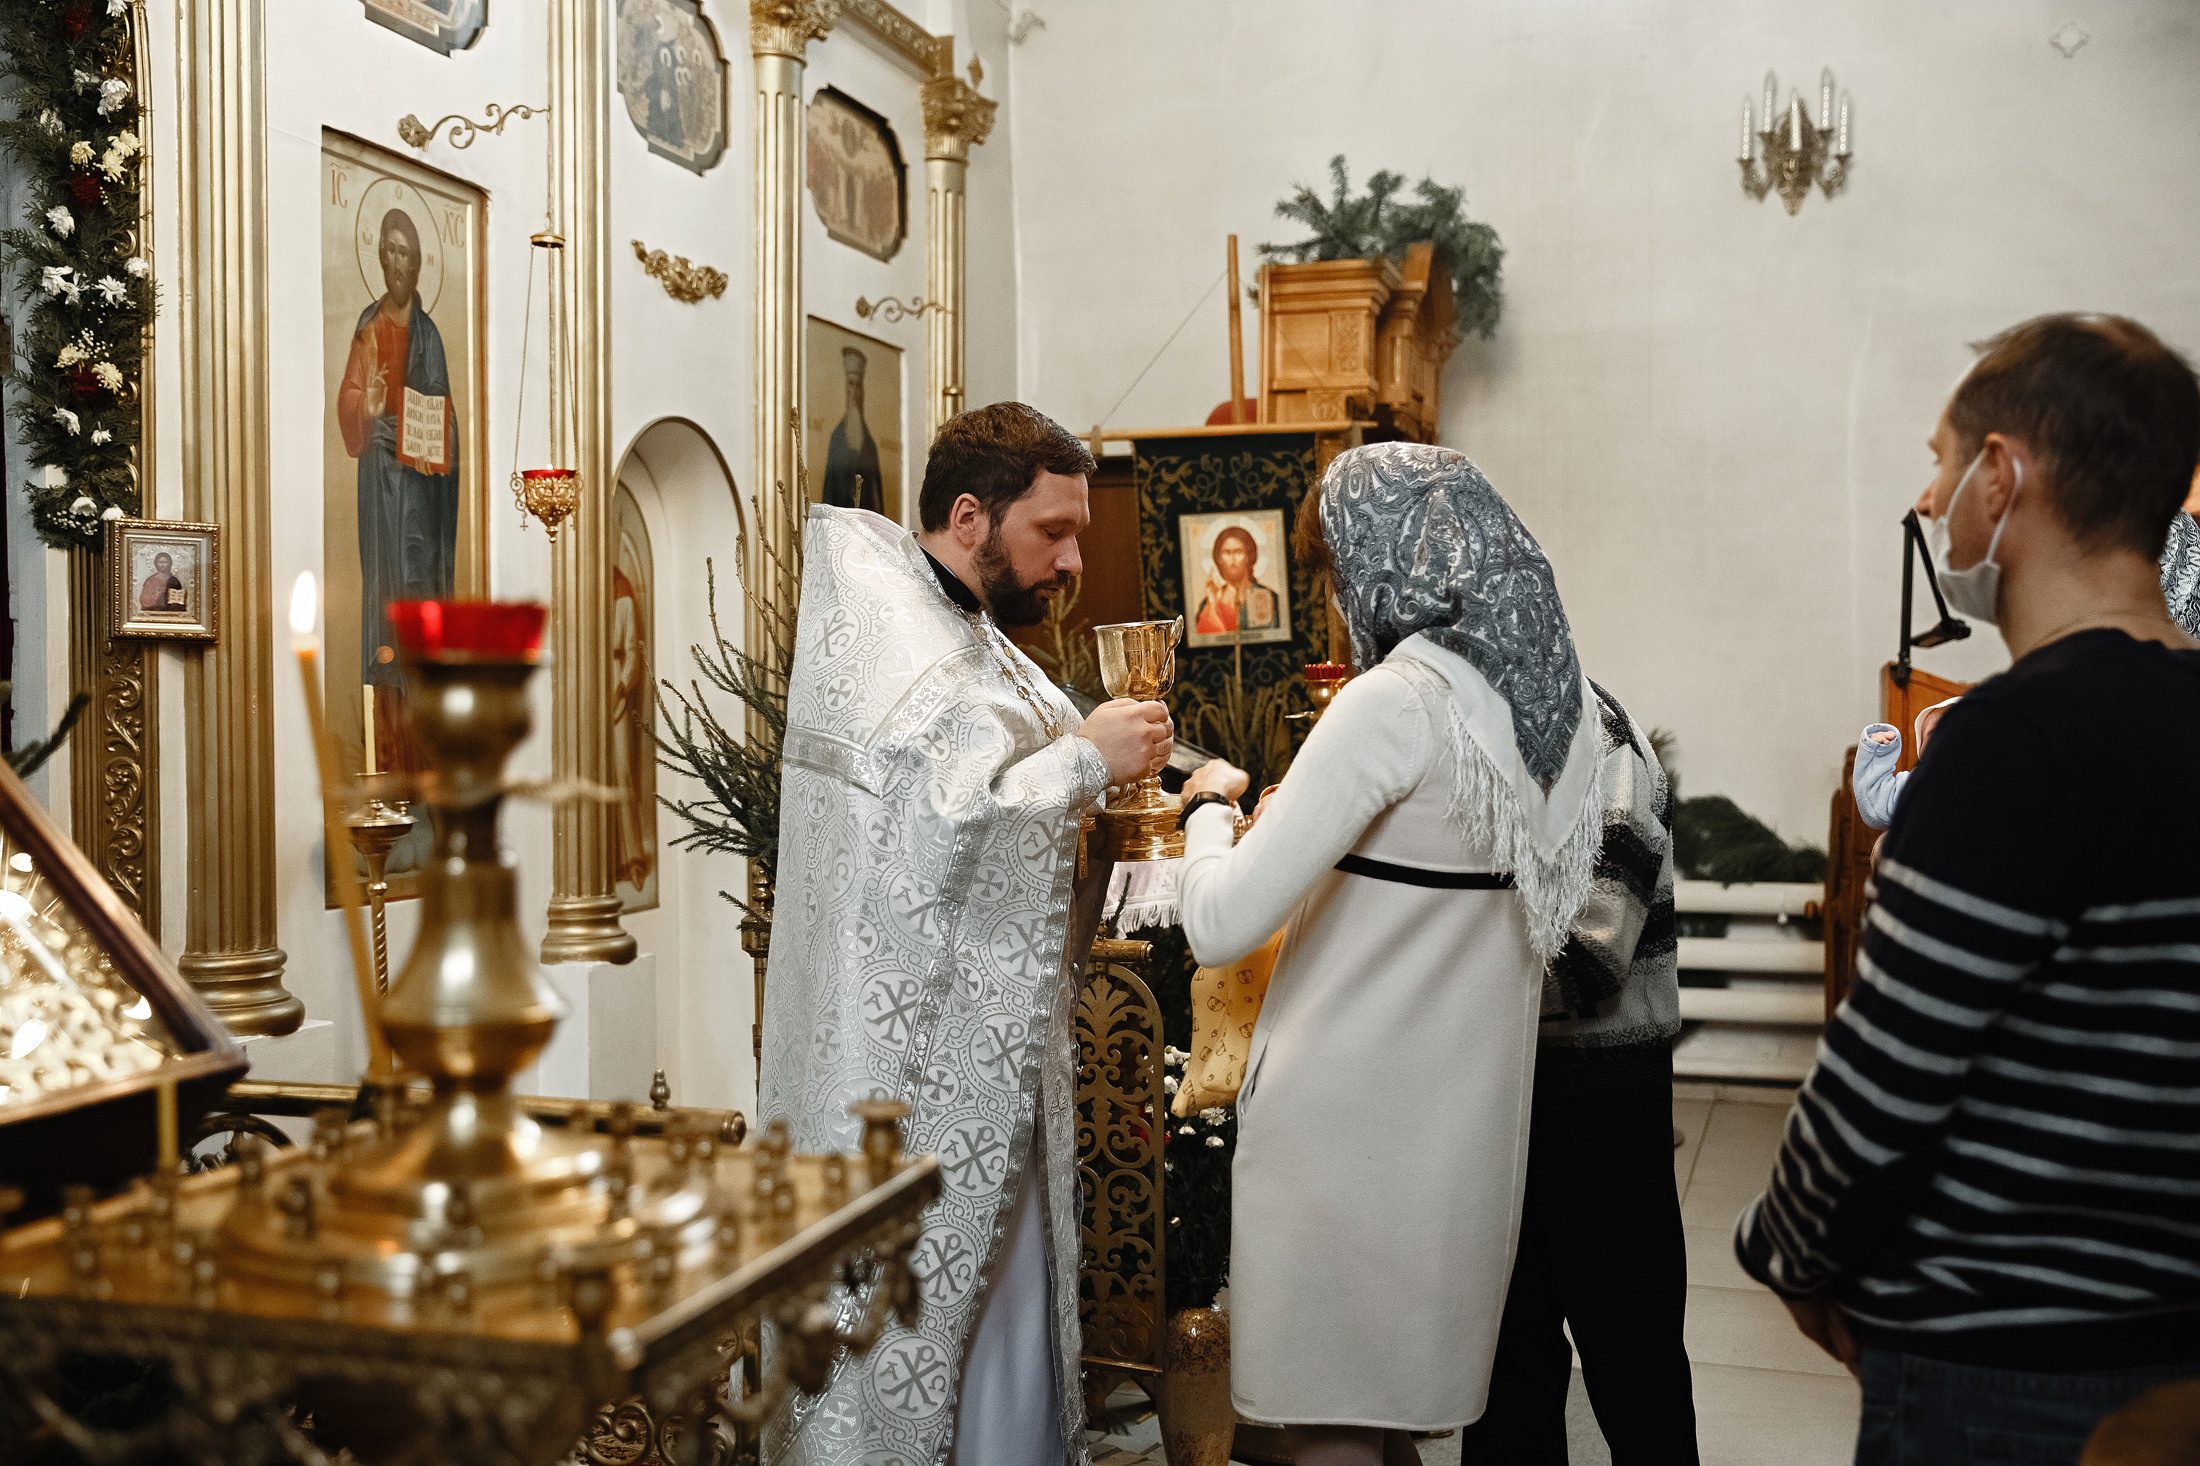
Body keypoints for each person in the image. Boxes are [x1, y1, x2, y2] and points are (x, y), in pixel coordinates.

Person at [1734, 313, 2200, 1462]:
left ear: (2003, 476)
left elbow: (1886, 1068)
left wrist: (1785, 1251)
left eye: (1942, 460)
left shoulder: (2016, 737)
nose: (1929, 495)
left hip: (2000, 1365)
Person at [1176, 442, 1605, 1466]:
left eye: (1333, 568)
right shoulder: (1557, 704)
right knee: (1377, 1410)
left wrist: (1207, 809)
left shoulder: (1395, 701)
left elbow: (1221, 922)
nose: (1333, 596)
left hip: (1344, 1123)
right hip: (1457, 1126)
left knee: (1321, 1420)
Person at [761, 401, 1173, 1466]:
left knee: (1008, 1317)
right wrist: (1087, 760)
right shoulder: (903, 645)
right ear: (967, 514)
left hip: (985, 1063)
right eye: (1052, 532)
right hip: (905, 1080)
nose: (1072, 559)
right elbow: (942, 828)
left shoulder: (976, 634)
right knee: (924, 1333)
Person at [1456, 679, 1700, 1465]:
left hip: (1601, 1095)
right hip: (1500, 1090)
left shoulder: (1596, 737)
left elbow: (1591, 963)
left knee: (1635, 1370)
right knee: (1504, 1380)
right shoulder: (1464, 725)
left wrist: (1430, 990)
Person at [337, 206, 458, 772]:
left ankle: (418, 755)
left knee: (411, 605)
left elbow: (444, 422)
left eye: (404, 251)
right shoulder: (368, 321)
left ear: (417, 262)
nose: (394, 261)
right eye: (387, 250)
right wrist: (369, 412)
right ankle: (381, 752)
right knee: (379, 609)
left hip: (419, 502)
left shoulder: (427, 335)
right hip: (378, 494)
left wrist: (402, 423)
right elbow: (350, 398)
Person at [1851, 694, 1959, 830]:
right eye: (1932, 733)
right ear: (1922, 754)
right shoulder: (1916, 784)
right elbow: (1877, 804)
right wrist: (1878, 752)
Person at [822, 346, 885, 515]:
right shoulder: (836, 438)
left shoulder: (869, 444)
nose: (854, 391)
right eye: (851, 385)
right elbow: (828, 494)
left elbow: (877, 500)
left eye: (858, 386)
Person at [1191, 524, 1281, 636]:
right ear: (1218, 558)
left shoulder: (1267, 596)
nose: (1232, 560)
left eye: (1238, 552)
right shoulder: (1208, 603)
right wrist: (1212, 608)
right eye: (1227, 553)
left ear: (1248, 556)